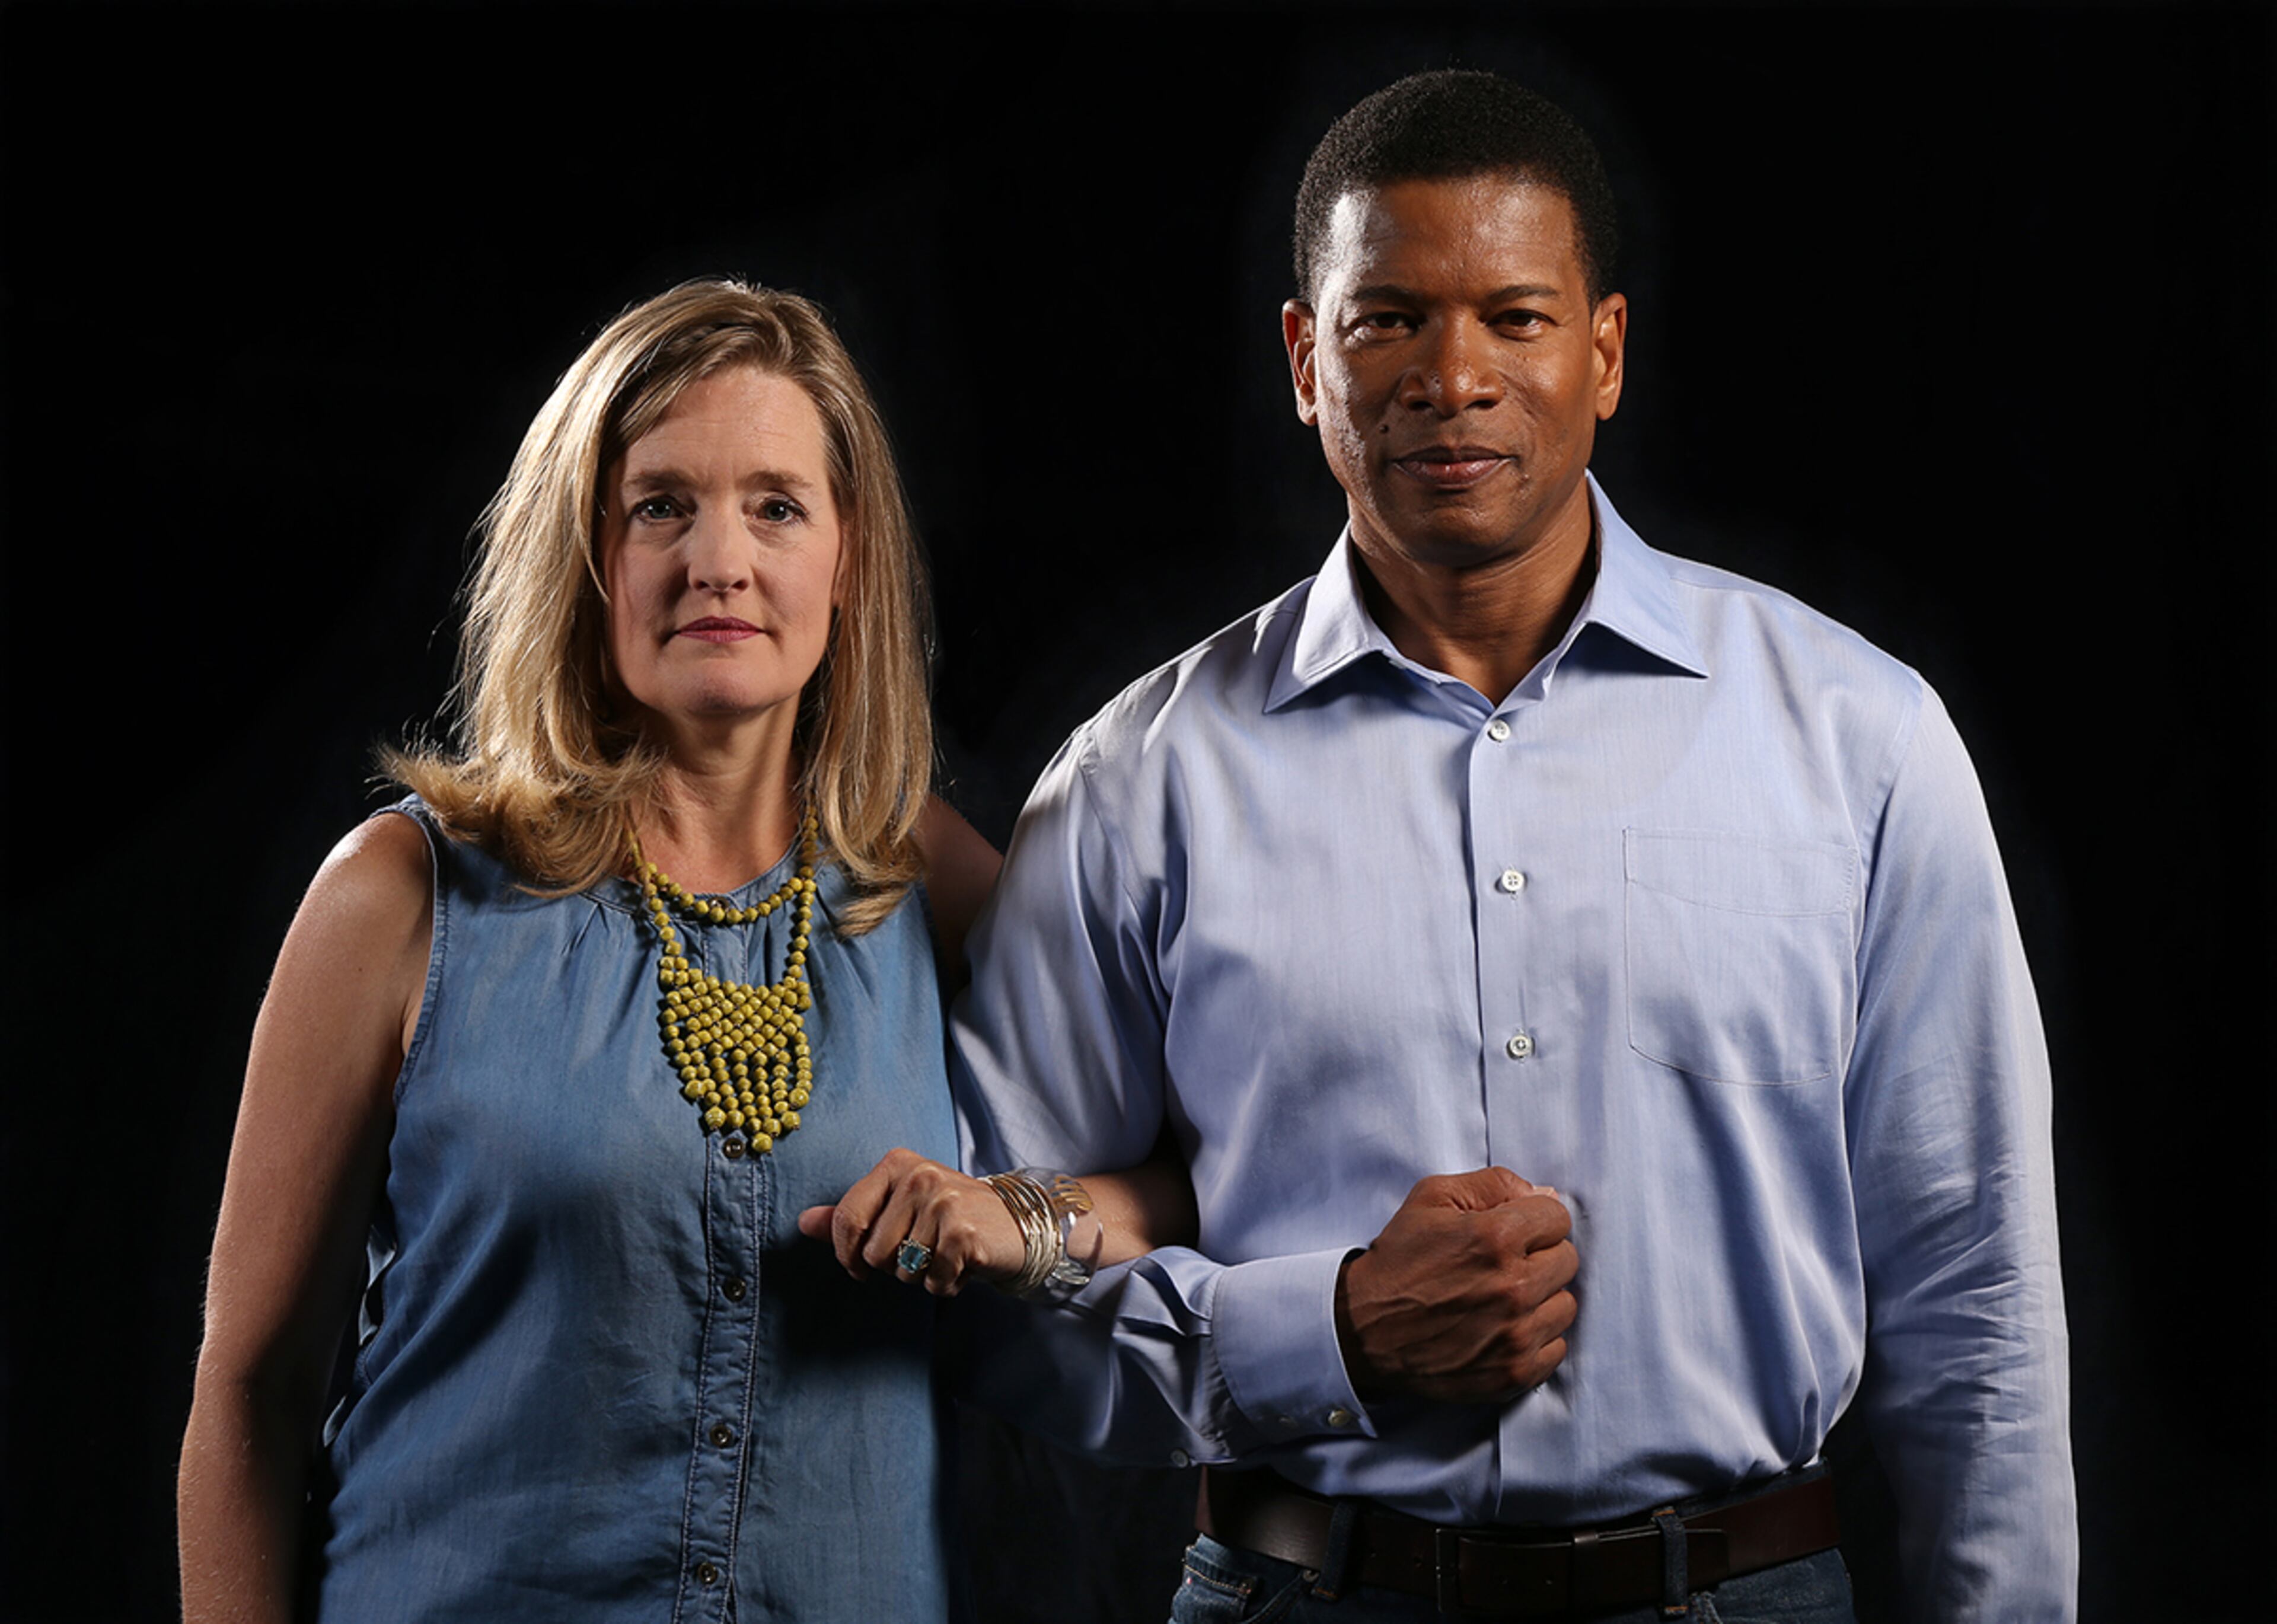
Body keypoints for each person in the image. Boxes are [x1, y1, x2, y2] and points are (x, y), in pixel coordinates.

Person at [930, 71, 2074, 1623]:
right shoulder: (1140, 782)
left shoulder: (1859, 741)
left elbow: (1979, 1301)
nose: (1449, 377)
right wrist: (1330, 1329)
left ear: (1605, 352)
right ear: (1303, 359)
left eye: (1515, 319)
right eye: (1386, 317)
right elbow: (1007, 1293)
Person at [176, 279, 1182, 1621]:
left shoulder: (922, 879)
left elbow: (1201, 1166)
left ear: (848, 554)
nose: (721, 558)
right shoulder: (402, 895)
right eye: (662, 504)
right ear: (586, 553)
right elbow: (252, 1393)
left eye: (776, 504)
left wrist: (1031, 1217)